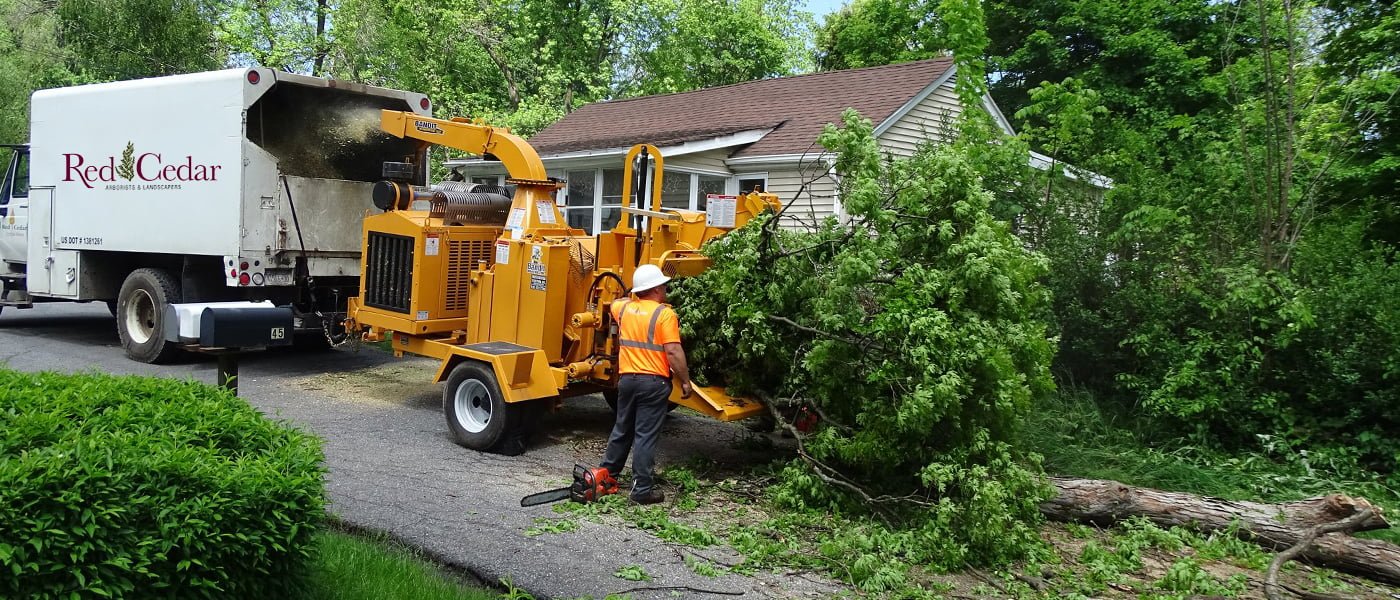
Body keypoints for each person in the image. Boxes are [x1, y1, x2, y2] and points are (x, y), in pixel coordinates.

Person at [600, 263, 693, 505]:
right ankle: (641, 489)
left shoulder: (624, 310)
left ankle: (606, 477)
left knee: (622, 429)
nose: (665, 288)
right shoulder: (664, 314)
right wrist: (685, 380)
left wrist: (635, 291)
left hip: (628, 380)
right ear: (654, 289)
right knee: (644, 436)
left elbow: (616, 301)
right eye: (662, 284)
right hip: (652, 383)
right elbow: (673, 351)